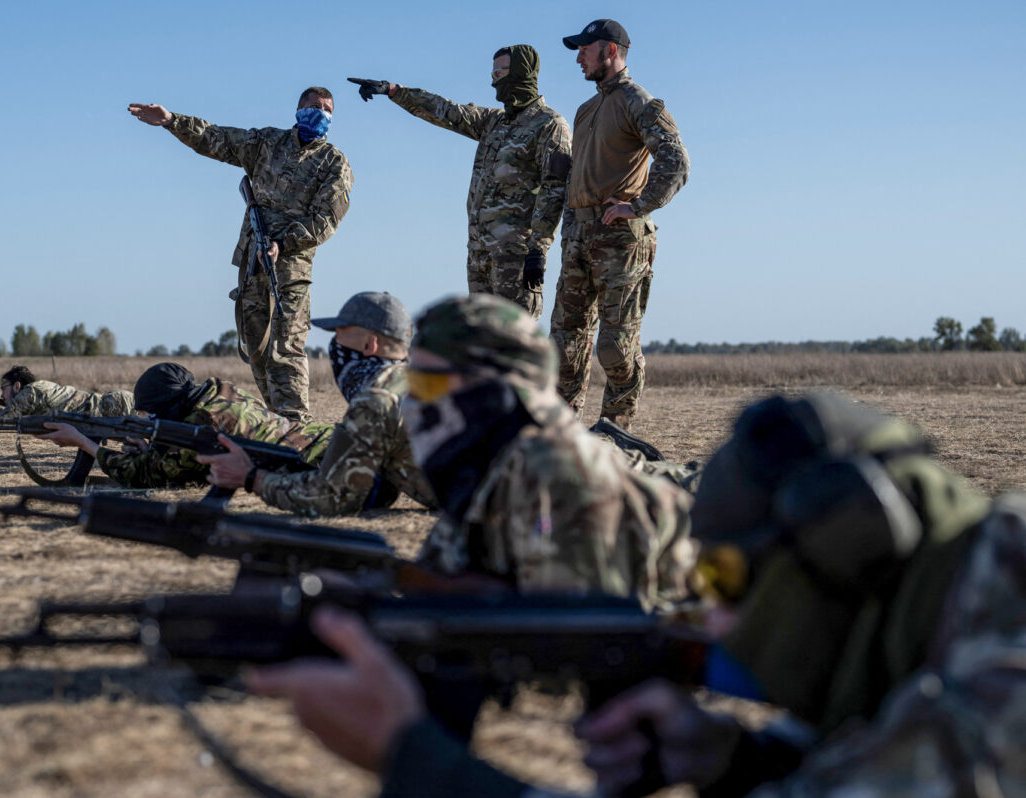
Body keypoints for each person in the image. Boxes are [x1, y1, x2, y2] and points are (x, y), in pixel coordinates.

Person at [245, 392, 1024, 797]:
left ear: (855, 541)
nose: (710, 618)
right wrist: (732, 760)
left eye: (722, 581)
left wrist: (417, 761)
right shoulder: (956, 610)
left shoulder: (1006, 674)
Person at [402, 294, 694, 602]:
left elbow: (582, 641)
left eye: (427, 386)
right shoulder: (483, 474)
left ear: (492, 393)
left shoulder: (560, 473)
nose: (411, 403)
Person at [128, 88, 353, 424]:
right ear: (298, 109)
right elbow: (218, 138)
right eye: (313, 106)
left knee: (286, 349)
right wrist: (172, 122)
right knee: (257, 352)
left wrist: (284, 243)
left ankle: (297, 430)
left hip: (290, 273)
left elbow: (327, 219)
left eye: (327, 109)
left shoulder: (334, 162)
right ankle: (279, 425)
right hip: (251, 265)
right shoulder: (267, 143)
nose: (320, 113)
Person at [348, 46, 571, 319]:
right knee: (479, 345)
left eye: (500, 72)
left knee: (512, 345)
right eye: (493, 72)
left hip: (515, 257)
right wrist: (394, 90)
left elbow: (554, 189)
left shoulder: (549, 125)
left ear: (521, 74)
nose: (493, 81)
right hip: (479, 256)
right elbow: (446, 111)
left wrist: (538, 249)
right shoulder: (494, 122)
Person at [550, 19, 690, 430]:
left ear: (610, 51)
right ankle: (562, 436)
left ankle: (615, 432)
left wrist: (640, 206)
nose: (578, 58)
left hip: (619, 240)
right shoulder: (586, 109)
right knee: (563, 346)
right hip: (578, 236)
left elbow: (675, 161)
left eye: (585, 49)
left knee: (615, 347)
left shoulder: (637, 101)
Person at [197, 292, 436, 516]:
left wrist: (252, 478)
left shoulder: (377, 399)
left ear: (370, 344)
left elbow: (331, 497)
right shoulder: (424, 381)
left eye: (340, 332)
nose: (335, 344)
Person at [40, 363, 332, 489]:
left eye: (149, 414)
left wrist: (83, 443)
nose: (146, 420)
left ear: (166, 407)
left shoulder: (204, 423)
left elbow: (142, 475)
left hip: (324, 463)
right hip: (325, 441)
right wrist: (152, 445)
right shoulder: (221, 392)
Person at [0, 365, 134, 424]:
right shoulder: (37, 388)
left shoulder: (28, 394)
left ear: (17, 386)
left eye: (3, 388)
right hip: (114, 401)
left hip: (115, 406)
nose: (1, 393)